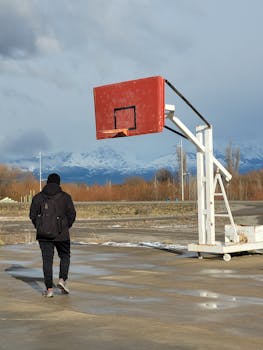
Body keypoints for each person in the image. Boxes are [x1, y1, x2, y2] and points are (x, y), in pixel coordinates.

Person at [29, 173, 76, 298]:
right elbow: (72, 214)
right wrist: (65, 226)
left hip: (43, 235)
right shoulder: (66, 197)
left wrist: (39, 226)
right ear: (59, 183)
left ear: (47, 182)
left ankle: (49, 289)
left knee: (47, 260)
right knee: (65, 256)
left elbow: (32, 215)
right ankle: (62, 280)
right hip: (62, 234)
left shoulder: (38, 197)